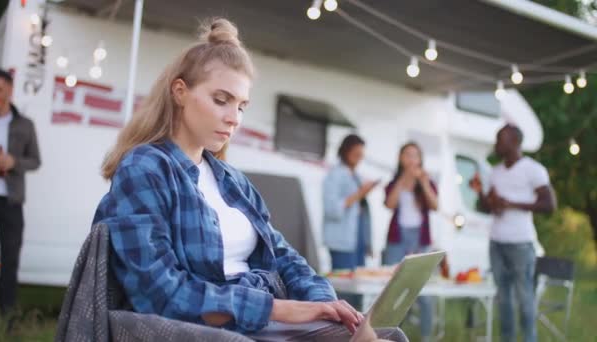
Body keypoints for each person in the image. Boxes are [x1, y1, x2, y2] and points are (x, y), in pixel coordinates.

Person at [92, 18, 406, 341]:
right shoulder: (145, 168)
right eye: (221, 100)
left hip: (261, 321)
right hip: (211, 328)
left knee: (385, 336)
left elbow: (284, 257)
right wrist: (277, 309)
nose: (234, 119)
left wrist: (326, 306)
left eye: (241, 106)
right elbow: (159, 292)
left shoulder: (231, 181)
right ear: (180, 92)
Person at [470, 124, 556, 342]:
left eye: (501, 139)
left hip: (521, 243)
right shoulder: (495, 172)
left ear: (515, 142)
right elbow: (488, 208)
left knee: (525, 298)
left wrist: (513, 204)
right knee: (503, 299)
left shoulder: (533, 169)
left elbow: (549, 205)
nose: (497, 143)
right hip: (496, 241)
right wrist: (481, 192)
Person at [0, 68, 41, 315]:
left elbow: (35, 160)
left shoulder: (24, 124)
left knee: (9, 262)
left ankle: (7, 319)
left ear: (9, 90)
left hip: (11, 202)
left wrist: (14, 162)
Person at [382, 142, 438, 342]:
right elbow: (389, 204)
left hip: (420, 240)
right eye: (407, 154)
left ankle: (426, 337)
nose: (411, 159)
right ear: (400, 158)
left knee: (424, 291)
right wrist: (404, 179)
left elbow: (435, 205)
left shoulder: (427, 181)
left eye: (415, 155)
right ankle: (390, 336)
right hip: (398, 239)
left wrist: (422, 182)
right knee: (392, 291)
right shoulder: (394, 181)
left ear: (420, 159)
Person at [323, 134, 377, 272]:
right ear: (345, 151)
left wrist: (368, 243)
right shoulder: (335, 174)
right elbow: (332, 209)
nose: (358, 158)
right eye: (355, 154)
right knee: (346, 285)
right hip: (342, 241)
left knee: (359, 283)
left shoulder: (356, 176)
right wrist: (359, 193)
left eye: (361, 155)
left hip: (357, 238)